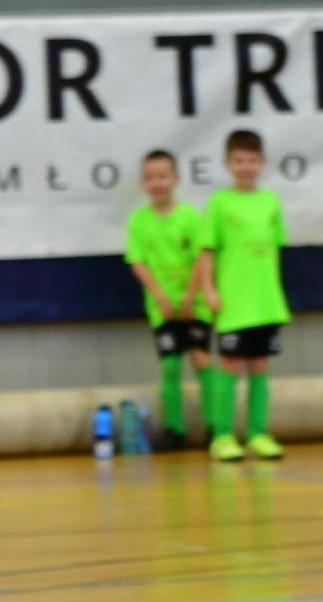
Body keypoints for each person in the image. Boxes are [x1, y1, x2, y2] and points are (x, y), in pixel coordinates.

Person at [199, 130, 290, 463]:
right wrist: (208, 289)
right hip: (234, 301)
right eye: (239, 160)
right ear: (227, 164)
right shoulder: (219, 203)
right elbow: (207, 250)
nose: (245, 166)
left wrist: (276, 293)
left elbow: (276, 250)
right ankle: (222, 436)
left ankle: (257, 433)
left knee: (261, 366)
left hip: (265, 301)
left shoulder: (270, 202)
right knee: (231, 365)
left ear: (262, 163)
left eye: (251, 160)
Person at [125, 150, 215, 450]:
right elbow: (138, 262)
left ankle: (216, 426)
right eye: (150, 177)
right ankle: (174, 429)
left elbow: (202, 257)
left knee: (202, 359)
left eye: (163, 176)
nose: (157, 183)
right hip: (162, 307)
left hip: (195, 303)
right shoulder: (139, 220)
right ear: (142, 183)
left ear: (175, 179)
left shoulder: (190, 216)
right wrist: (160, 296)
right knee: (170, 366)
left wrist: (191, 295)